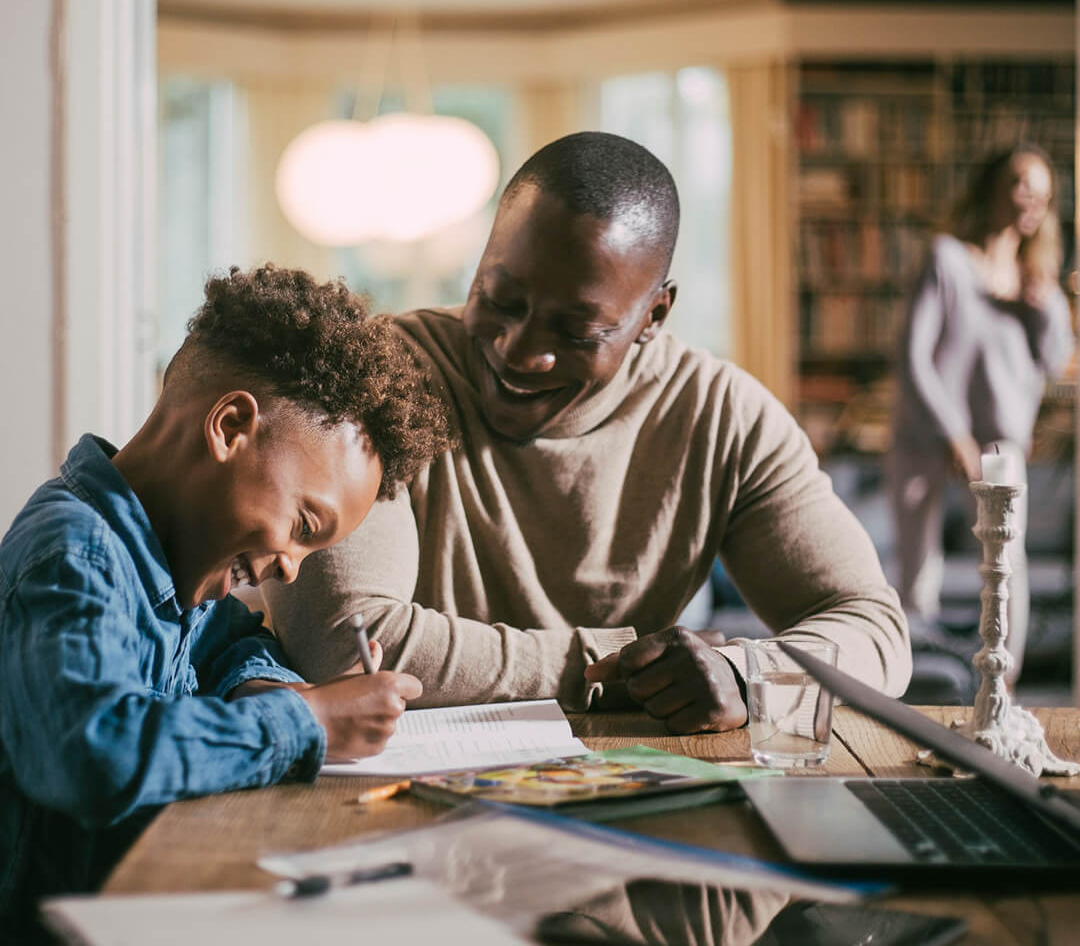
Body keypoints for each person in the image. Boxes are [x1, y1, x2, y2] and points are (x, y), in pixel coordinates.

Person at [262, 132, 912, 732]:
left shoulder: (723, 415)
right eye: (500, 299)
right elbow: (343, 642)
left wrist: (746, 672)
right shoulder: (375, 376)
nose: (520, 352)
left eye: (576, 331)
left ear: (654, 314)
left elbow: (876, 631)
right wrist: (616, 668)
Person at [0, 265, 450, 939]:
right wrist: (308, 725)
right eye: (303, 527)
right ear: (231, 425)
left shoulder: (177, 565)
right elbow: (96, 754)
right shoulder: (74, 556)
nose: (292, 571)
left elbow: (236, 639)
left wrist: (270, 685)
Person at [889, 142, 1073, 678]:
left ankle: (1003, 695)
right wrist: (954, 437)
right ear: (993, 186)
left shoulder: (1038, 284)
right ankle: (911, 684)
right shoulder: (947, 259)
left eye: (1042, 191)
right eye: (1020, 183)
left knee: (1006, 571)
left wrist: (1042, 312)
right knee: (917, 574)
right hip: (926, 440)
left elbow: (1055, 361)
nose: (1030, 198)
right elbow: (913, 356)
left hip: (1000, 448)